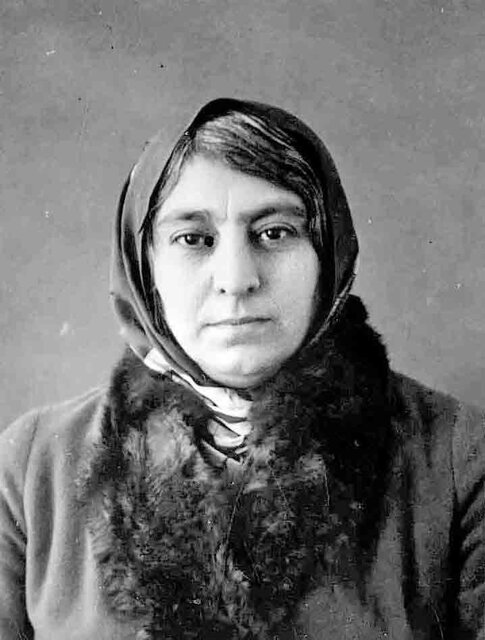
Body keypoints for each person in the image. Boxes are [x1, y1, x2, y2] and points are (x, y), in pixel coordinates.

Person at [0, 97, 484, 640]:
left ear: (327, 254)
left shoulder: (457, 459)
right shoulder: (32, 466)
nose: (236, 279)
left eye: (275, 232)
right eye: (193, 239)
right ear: (144, 267)